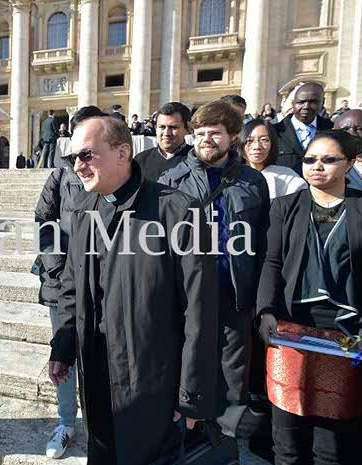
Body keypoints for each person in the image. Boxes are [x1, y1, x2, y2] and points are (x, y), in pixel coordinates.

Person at [49, 115, 219, 465]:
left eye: (86, 155)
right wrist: (63, 347)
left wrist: (191, 395)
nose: (77, 167)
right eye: (72, 158)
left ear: (123, 152)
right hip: (95, 369)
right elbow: (71, 285)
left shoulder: (177, 210)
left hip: (152, 378)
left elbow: (199, 310)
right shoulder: (82, 209)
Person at [256, 130, 362, 465]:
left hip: (345, 336)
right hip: (290, 332)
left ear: (350, 163)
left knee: (331, 447)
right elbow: (272, 261)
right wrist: (266, 311)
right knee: (287, 443)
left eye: (328, 159)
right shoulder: (285, 206)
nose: (316, 166)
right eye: (310, 159)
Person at [158, 100, 271, 441]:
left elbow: (263, 241)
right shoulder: (171, 178)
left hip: (234, 290)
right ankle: (188, 429)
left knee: (233, 367)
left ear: (233, 136)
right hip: (188, 293)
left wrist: (261, 298)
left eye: (215, 133)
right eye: (201, 133)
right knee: (188, 360)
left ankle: (226, 435)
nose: (206, 139)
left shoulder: (252, 181)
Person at [35, 106, 106, 459]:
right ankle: (66, 422)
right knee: (63, 352)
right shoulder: (61, 173)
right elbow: (44, 218)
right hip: (63, 281)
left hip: (104, 283)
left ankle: (99, 426)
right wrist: (56, 264)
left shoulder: (114, 173)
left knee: (99, 355)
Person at [237, 119, 307, 199]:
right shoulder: (232, 176)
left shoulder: (288, 178)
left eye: (264, 140)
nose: (257, 147)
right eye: (249, 140)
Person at [274, 82, 333, 172]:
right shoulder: (275, 131)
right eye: (301, 102)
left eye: (313, 102)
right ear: (293, 104)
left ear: (322, 102)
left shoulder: (331, 129)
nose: (306, 107)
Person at [134, 102, 193, 182]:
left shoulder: (197, 160)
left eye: (173, 127)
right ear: (156, 129)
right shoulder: (140, 160)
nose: (167, 133)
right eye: (162, 127)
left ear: (187, 129)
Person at [334, 110, 362, 195]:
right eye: (345, 129)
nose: (352, 134)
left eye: (360, 129)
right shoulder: (329, 166)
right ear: (334, 132)